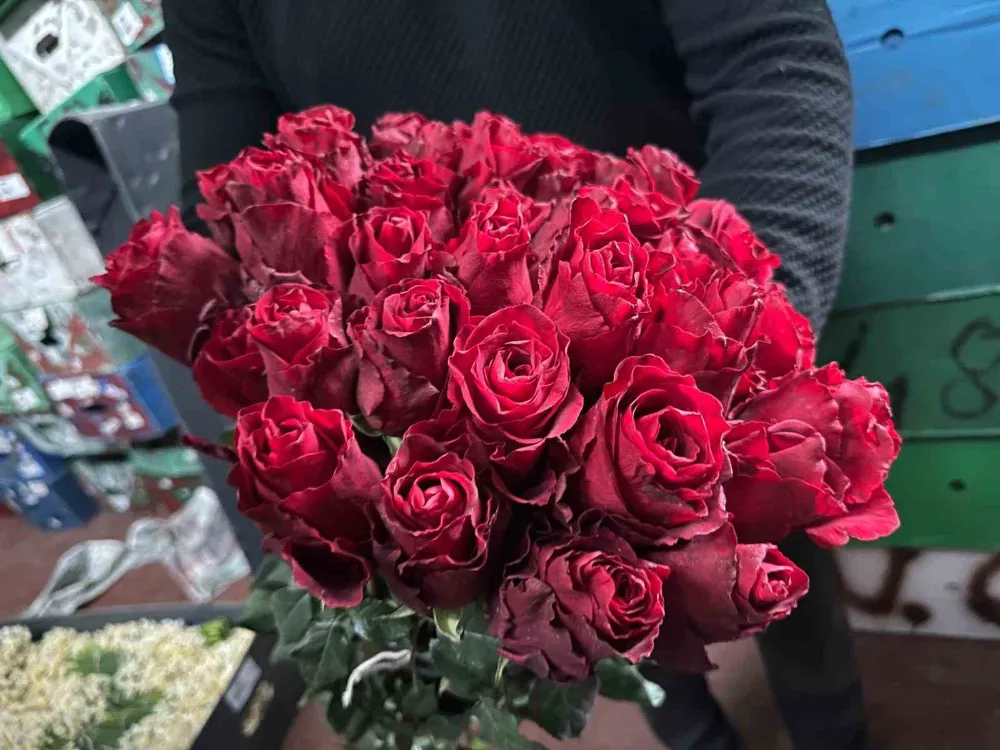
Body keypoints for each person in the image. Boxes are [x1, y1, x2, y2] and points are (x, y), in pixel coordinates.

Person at [163, 1, 861, 748]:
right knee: (607, 615)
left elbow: (771, 55)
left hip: (689, 313)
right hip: (403, 378)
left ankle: (836, 734)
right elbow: (227, 163)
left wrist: (740, 326)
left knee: (772, 564)